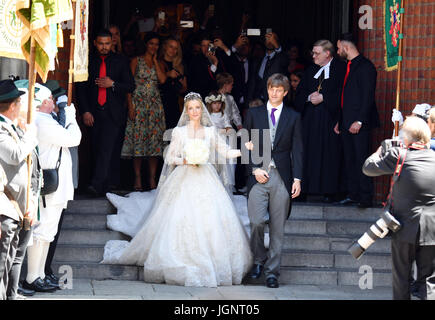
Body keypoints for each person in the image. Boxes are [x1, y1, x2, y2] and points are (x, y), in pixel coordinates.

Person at [102, 92, 253, 287]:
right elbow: (170, 157)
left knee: (210, 219)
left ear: (202, 109)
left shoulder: (210, 132)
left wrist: (244, 148)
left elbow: (225, 151)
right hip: (184, 176)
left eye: (197, 108)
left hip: (206, 178)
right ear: (186, 111)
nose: (195, 111)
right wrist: (185, 160)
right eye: (191, 108)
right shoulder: (179, 132)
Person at [363, 116, 435, 300]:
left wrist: (380, 150)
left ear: (405, 137)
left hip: (403, 227)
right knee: (429, 281)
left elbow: (368, 168)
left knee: (401, 278)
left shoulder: (398, 155)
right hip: (432, 229)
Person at [244, 73, 303, 288]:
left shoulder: (294, 116)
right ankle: (258, 259)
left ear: (285, 93)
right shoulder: (254, 113)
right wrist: (253, 169)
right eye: (271, 88)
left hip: (282, 177)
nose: (274, 92)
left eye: (279, 89)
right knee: (257, 221)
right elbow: (244, 144)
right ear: (267, 89)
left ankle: (272, 272)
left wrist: (297, 178)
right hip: (258, 175)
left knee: (278, 227)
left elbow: (298, 148)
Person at [23, 84, 81, 293]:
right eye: (49, 100)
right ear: (41, 104)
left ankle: (39, 275)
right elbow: (74, 138)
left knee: (48, 232)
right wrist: (72, 117)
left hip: (57, 182)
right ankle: (32, 277)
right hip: (50, 183)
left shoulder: (47, 120)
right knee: (42, 231)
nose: (53, 103)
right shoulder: (42, 121)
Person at [76, 29, 135, 197]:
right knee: (97, 148)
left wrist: (113, 84)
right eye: (101, 44)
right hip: (93, 112)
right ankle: (107, 185)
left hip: (113, 113)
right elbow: (81, 89)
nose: (104, 47)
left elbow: (130, 86)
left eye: (107, 44)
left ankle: (96, 185)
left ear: (112, 43)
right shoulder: (88, 61)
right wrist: (85, 111)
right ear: (95, 43)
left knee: (106, 148)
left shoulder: (121, 61)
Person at [0, 80, 38, 299]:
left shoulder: (12, 128)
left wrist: (29, 202)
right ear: (13, 106)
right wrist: (30, 136)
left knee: (9, 264)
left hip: (17, 208)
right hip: (5, 208)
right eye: (19, 103)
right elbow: (14, 156)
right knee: (1, 269)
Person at [295, 40, 346, 202]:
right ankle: (305, 189)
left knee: (330, 154)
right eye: (313, 53)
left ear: (328, 53)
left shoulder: (341, 70)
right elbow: (299, 94)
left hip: (330, 120)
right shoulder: (310, 71)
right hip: (310, 121)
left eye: (317, 53)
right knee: (308, 153)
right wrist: (310, 97)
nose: (313, 56)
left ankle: (329, 191)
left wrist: (325, 97)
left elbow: (346, 93)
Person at [336, 33, 380, 208]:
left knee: (362, 159)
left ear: (346, 47)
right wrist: (340, 120)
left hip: (360, 123)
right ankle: (353, 194)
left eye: (339, 48)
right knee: (350, 158)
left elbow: (367, 97)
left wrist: (360, 121)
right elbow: (346, 98)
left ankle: (365, 196)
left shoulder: (366, 67)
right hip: (346, 122)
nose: (338, 51)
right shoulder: (347, 66)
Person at [122, 32, 166, 191]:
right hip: (138, 105)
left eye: (156, 44)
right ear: (146, 44)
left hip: (154, 107)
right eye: (151, 43)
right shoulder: (136, 61)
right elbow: (128, 86)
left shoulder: (158, 62)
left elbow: (162, 80)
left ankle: (152, 178)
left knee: (154, 144)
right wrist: (130, 106)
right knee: (138, 142)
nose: (154, 47)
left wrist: (154, 61)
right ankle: (138, 178)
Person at [248, 32, 288, 104]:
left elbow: (285, 61)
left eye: (272, 39)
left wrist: (277, 46)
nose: (270, 41)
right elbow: (252, 82)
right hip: (257, 100)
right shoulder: (259, 59)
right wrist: (248, 102)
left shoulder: (280, 58)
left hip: (274, 100)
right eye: (267, 39)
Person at [158, 37, 187, 130]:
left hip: (174, 104)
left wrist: (182, 86)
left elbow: (184, 89)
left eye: (176, 48)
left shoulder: (180, 66)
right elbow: (154, 82)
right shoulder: (158, 62)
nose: (173, 50)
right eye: (171, 47)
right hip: (160, 104)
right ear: (165, 47)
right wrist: (167, 74)